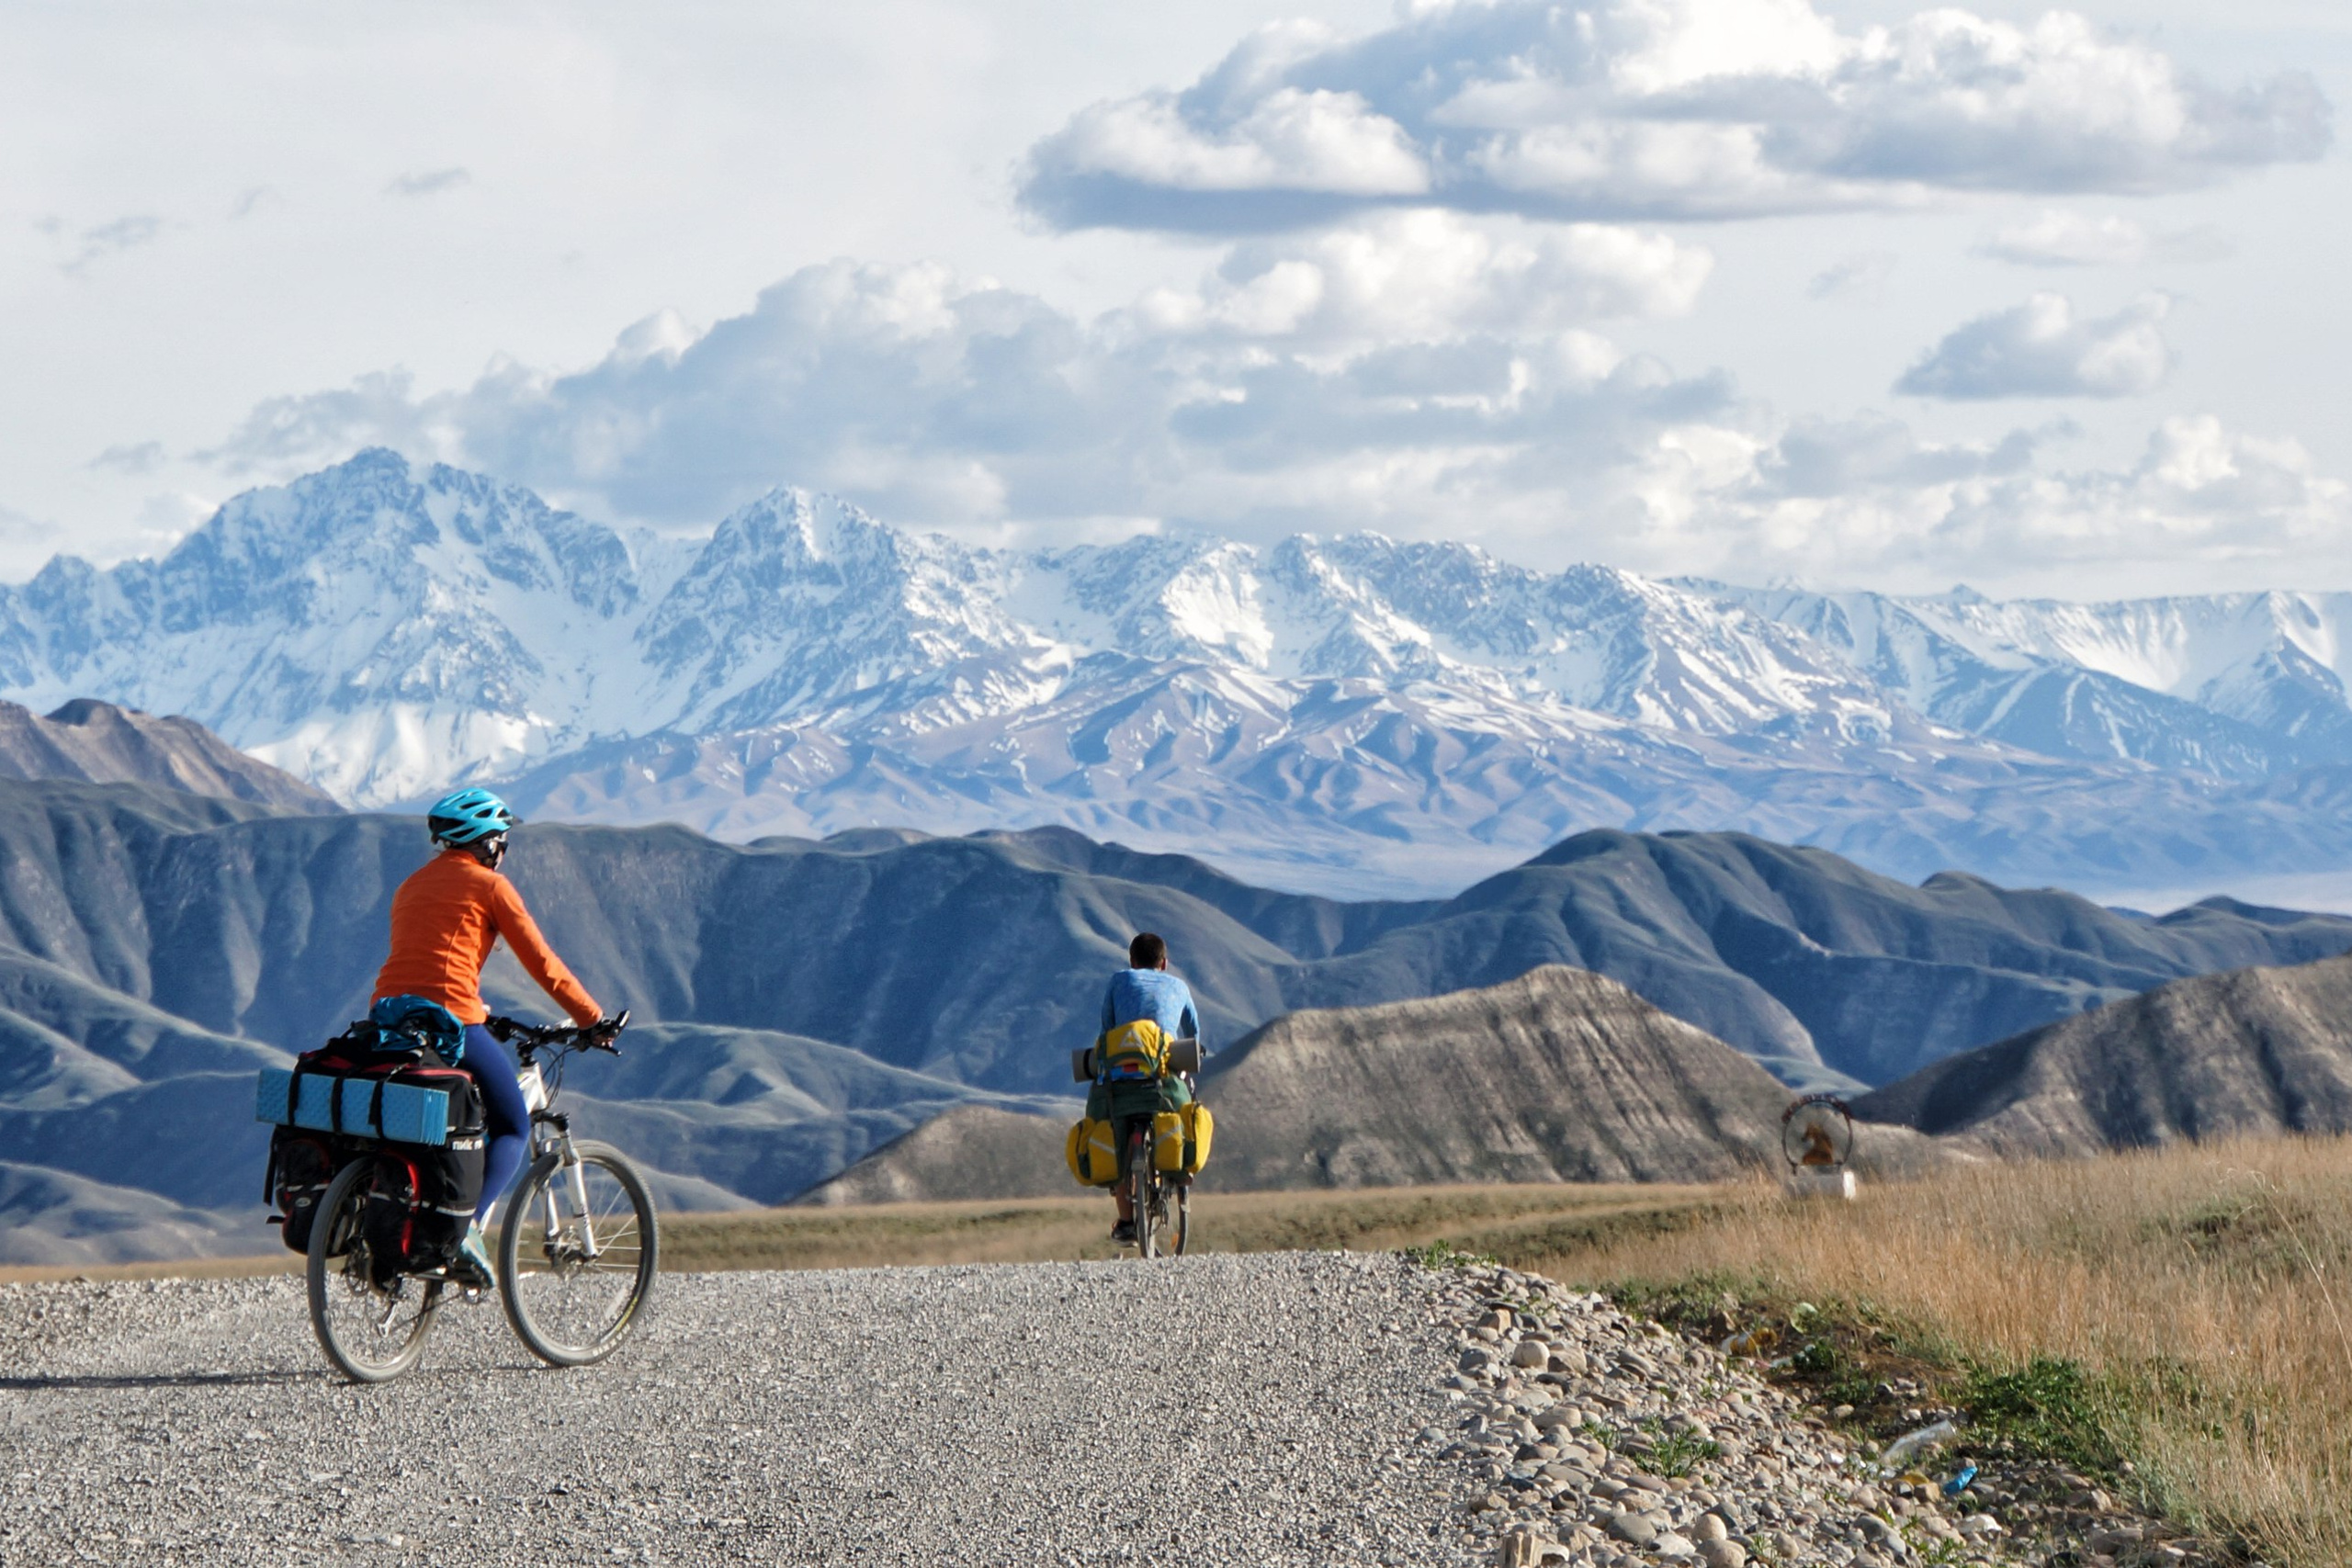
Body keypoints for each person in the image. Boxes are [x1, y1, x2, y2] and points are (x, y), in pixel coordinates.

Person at [371, 787, 614, 1282]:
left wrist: (480, 1004)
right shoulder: (490, 886)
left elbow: (426, 960)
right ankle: (467, 1233)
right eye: (502, 840)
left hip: (387, 1019)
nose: (503, 850)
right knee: (512, 1125)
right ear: (488, 842)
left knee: (446, 1119)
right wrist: (591, 1019)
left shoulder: (411, 885)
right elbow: (542, 963)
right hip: (450, 1019)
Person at [1090, 931, 1200, 1244]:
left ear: (1132, 962)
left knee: (1116, 1141)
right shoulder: (1179, 986)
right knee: (1185, 1110)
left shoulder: (1118, 980)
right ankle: (1179, 1170)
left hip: (1120, 1079)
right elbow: (1193, 1034)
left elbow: (1106, 1028)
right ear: (1163, 963)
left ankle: (1126, 1222)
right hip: (1162, 1078)